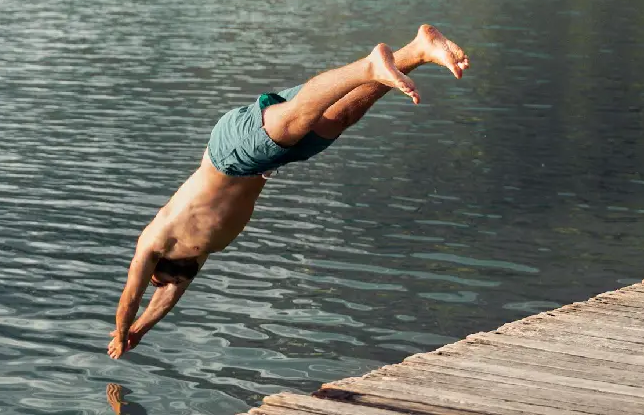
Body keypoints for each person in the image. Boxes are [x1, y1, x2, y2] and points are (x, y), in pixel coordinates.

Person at [108, 24, 468, 358]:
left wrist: (122, 331)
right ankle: (419, 49)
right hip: (263, 162)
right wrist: (141, 331)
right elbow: (167, 297)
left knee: (298, 116)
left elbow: (131, 296)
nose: (162, 285)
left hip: (231, 154)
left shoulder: (155, 240)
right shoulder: (196, 256)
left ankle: (369, 65)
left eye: (158, 280)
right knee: (341, 116)